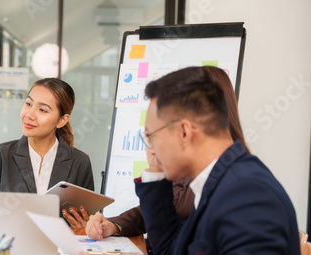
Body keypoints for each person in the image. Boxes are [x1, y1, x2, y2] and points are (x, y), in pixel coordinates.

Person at [78, 66, 311, 255]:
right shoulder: (219, 181)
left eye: (151, 136)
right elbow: (172, 253)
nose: (149, 148)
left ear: (185, 132)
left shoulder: (247, 194)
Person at [82, 66, 250, 240]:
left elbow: (171, 210)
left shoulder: (237, 187)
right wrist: (114, 225)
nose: (152, 145)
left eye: (154, 135)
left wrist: (157, 175)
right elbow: (166, 234)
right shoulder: (207, 167)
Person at [0, 78, 94, 219]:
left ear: (62, 120)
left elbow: (88, 221)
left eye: (42, 110)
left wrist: (85, 225)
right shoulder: (0, 155)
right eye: (28, 104)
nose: (29, 114)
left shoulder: (80, 162)